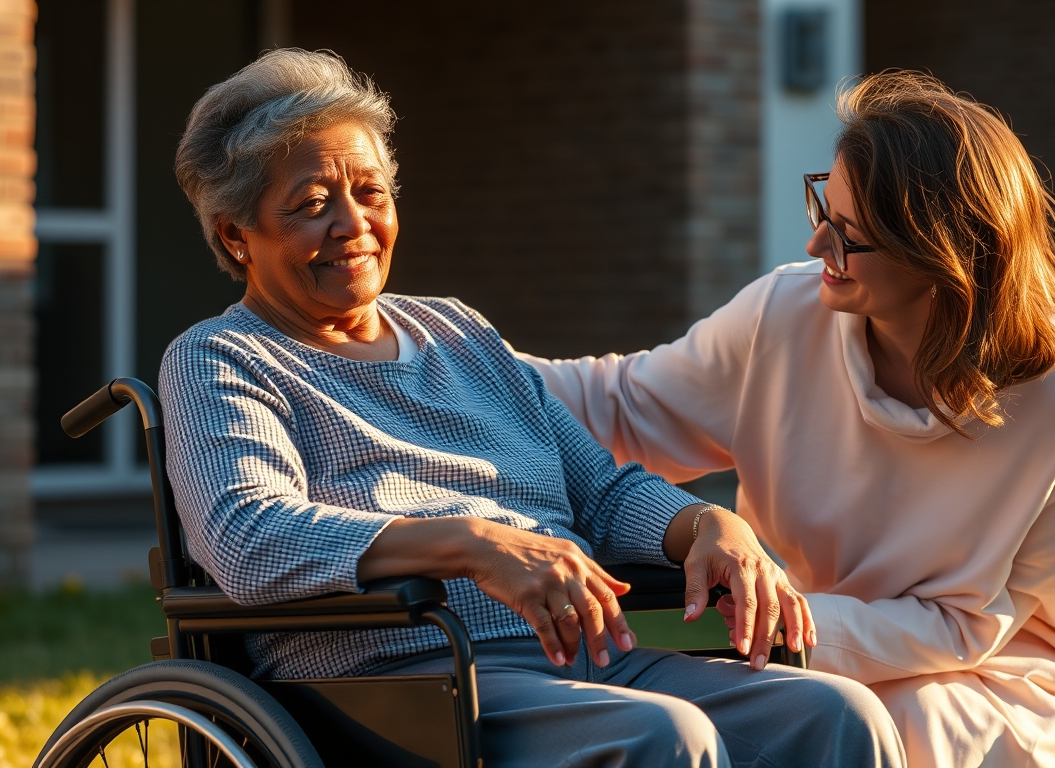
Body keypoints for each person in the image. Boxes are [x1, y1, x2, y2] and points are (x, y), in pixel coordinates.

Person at [160, 48, 905, 768]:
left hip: (583, 664)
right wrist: (472, 544)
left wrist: (710, 525)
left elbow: (601, 491)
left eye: (371, 193)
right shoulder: (223, 359)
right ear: (236, 235)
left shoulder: (459, 331)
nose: (353, 226)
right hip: (404, 684)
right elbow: (247, 535)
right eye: (313, 205)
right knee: (663, 738)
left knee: (838, 715)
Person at [522, 71, 1055, 768]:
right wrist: (445, 349)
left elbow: (990, 624)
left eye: (848, 235)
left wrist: (792, 619)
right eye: (823, 210)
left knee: (876, 729)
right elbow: (620, 404)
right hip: (815, 650)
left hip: (1009, 677)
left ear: (942, 257)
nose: (816, 247)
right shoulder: (785, 317)